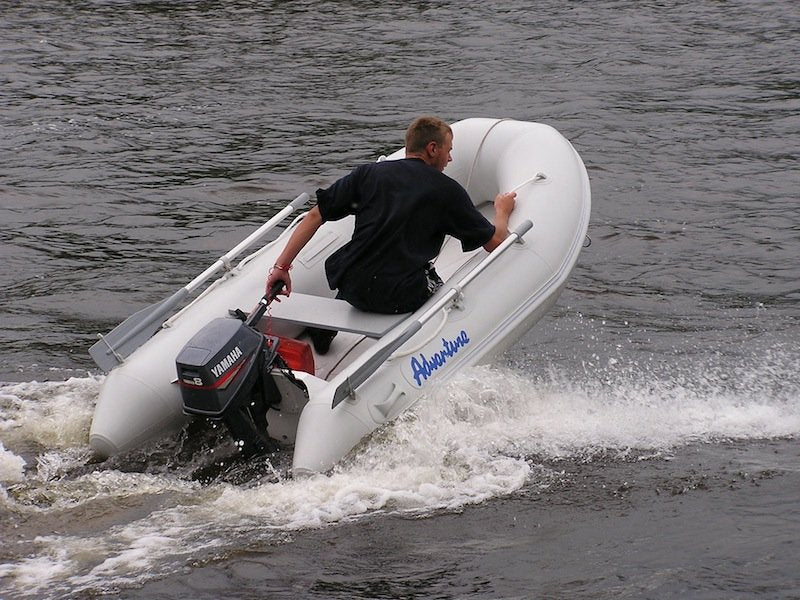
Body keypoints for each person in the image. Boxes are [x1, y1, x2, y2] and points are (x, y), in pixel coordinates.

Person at [266, 116, 516, 353]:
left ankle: (324, 331)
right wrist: (501, 212)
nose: (450, 159)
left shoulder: (368, 174)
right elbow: (495, 243)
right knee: (435, 280)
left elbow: (314, 216)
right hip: (397, 297)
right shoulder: (446, 191)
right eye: (448, 150)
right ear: (432, 148)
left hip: (352, 287)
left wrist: (282, 266)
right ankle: (423, 342)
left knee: (366, 256)